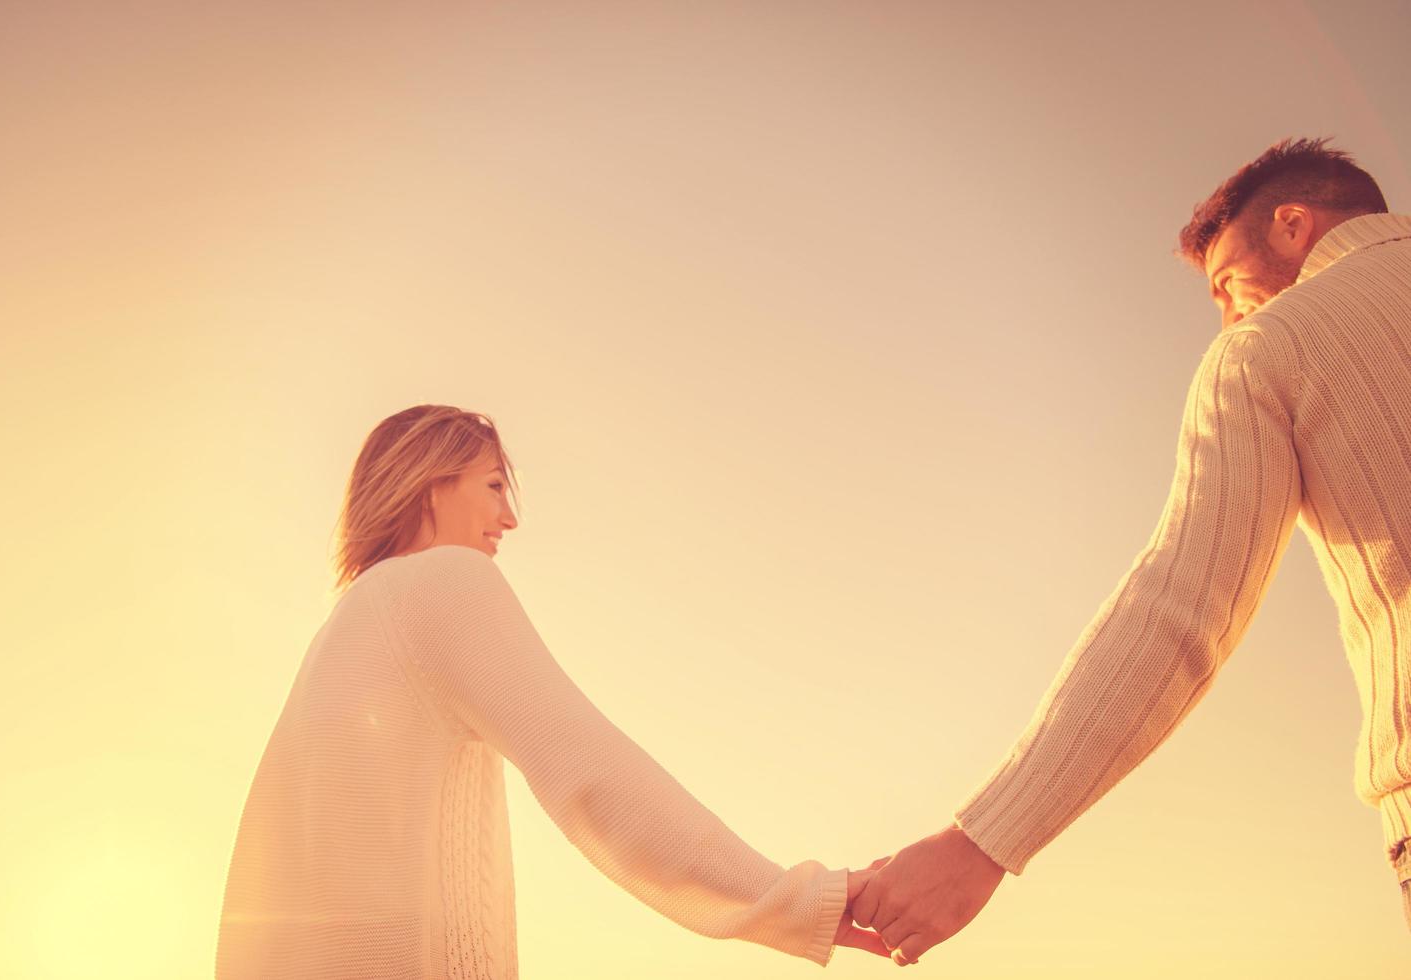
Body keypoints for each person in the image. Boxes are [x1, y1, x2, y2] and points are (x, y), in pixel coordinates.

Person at [850, 137, 1411, 964]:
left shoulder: (1267, 350)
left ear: (1295, 225)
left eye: (1226, 285)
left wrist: (981, 843)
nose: (1228, 315)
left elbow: (1183, 609)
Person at [215, 405, 887, 978]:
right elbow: (591, 775)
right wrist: (796, 900)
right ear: (430, 485)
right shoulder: (444, 583)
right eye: (492, 486)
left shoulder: (346, 624)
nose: (507, 518)